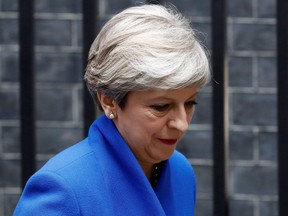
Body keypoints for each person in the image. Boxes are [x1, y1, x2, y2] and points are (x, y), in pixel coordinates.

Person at [14, 4, 210, 216]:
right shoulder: (63, 188)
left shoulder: (180, 171)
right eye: (161, 106)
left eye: (190, 103)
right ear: (109, 101)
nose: (181, 123)